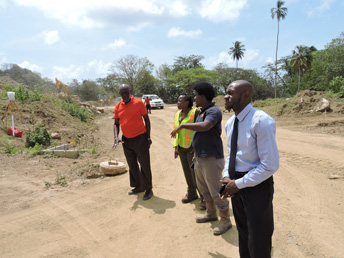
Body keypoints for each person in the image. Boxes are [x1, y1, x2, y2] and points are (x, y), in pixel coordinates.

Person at [221, 80, 279, 258]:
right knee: (244, 233)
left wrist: (239, 183)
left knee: (258, 238)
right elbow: (232, 154)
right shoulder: (231, 123)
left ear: (246, 94)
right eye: (226, 92)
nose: (226, 96)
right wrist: (226, 177)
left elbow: (269, 165)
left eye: (231, 93)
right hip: (236, 184)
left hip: (256, 185)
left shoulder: (261, 121)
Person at [171, 82, 232, 236]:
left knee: (216, 190)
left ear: (203, 96)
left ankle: (225, 221)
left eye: (197, 95)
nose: (195, 98)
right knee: (204, 188)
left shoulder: (213, 111)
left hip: (211, 158)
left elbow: (205, 126)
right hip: (200, 157)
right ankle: (211, 214)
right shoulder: (202, 111)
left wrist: (183, 126)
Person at [113, 84, 153, 200]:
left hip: (140, 138)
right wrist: (116, 137)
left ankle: (149, 189)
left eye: (126, 92)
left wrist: (148, 137)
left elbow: (147, 119)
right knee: (132, 165)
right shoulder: (118, 106)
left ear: (130, 91)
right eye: (122, 93)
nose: (125, 95)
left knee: (144, 164)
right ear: (120, 94)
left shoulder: (139, 103)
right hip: (126, 140)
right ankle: (138, 186)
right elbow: (116, 124)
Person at [173, 94, 205, 208]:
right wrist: (176, 147)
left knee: (196, 174)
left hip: (192, 148)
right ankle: (192, 193)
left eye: (180, 101)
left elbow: (200, 129)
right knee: (187, 172)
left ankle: (204, 198)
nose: (178, 103)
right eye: (177, 100)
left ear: (187, 102)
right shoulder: (177, 114)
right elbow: (176, 131)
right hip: (182, 148)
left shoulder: (195, 112)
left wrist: (197, 146)